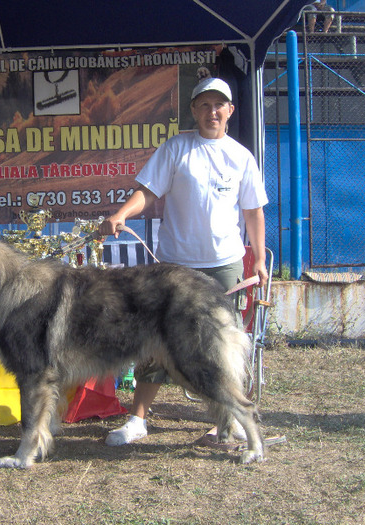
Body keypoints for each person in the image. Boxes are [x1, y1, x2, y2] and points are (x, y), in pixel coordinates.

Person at [98, 77, 268, 446]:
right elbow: (147, 192)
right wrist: (122, 214)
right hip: (175, 268)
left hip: (224, 265)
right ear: (193, 110)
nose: (212, 112)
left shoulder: (241, 157)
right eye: (204, 105)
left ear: (230, 111)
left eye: (219, 105)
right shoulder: (176, 149)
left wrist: (257, 260)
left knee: (218, 347)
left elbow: (253, 212)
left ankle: (227, 422)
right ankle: (138, 419)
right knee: (154, 341)